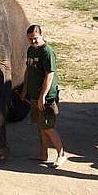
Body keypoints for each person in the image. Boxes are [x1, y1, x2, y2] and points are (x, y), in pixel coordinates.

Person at [20, 24, 67, 168]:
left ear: (41, 35)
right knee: (41, 126)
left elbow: (49, 75)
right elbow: (28, 71)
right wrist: (24, 90)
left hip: (46, 97)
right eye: (30, 39)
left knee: (48, 126)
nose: (33, 42)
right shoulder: (30, 50)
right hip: (34, 94)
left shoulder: (47, 52)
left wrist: (43, 96)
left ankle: (61, 154)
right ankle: (43, 154)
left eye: (35, 38)